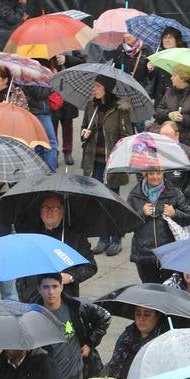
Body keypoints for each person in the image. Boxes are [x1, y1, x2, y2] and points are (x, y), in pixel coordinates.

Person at [81, 75, 132, 256]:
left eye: (97, 86)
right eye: (93, 85)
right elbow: (84, 129)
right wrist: (84, 133)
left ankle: (116, 238)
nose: (93, 89)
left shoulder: (119, 109)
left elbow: (127, 136)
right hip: (95, 161)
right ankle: (103, 238)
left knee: (112, 200)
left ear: (107, 88)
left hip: (113, 162)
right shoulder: (91, 106)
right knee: (99, 201)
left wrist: (118, 150)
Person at [36, 273, 111, 379]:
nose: (50, 292)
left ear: (61, 287)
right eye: (46, 287)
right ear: (39, 289)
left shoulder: (76, 307)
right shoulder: (34, 316)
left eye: (55, 286)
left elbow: (105, 317)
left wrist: (89, 343)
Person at [127, 169, 190, 283]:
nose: (155, 177)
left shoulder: (174, 193)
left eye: (158, 173)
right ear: (145, 175)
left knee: (169, 290)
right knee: (150, 290)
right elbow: (126, 225)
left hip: (169, 253)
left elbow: (189, 218)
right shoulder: (134, 196)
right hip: (145, 254)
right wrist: (142, 213)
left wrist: (175, 213)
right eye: (151, 173)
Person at [31, 194, 97, 298]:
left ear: (62, 213)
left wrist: (71, 277)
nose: (49, 211)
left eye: (55, 208)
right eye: (45, 207)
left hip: (66, 298)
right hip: (35, 297)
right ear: (40, 212)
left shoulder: (75, 237)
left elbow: (90, 266)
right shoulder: (31, 236)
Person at [154, 63, 190, 164]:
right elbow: (158, 111)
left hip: (189, 140)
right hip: (169, 138)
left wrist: (184, 118)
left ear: (183, 78)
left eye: (174, 75)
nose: (171, 78)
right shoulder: (169, 92)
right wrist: (169, 114)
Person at [107, 306, 168, 379]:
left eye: (147, 315)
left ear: (158, 316)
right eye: (138, 314)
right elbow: (113, 365)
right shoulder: (126, 336)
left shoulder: (164, 342)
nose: (141, 319)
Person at [158, 120, 190, 209]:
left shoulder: (188, 153)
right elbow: (141, 172)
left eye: (169, 137)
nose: (165, 141)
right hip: (158, 200)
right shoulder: (153, 152)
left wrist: (185, 193)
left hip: (180, 201)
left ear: (177, 135)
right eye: (162, 137)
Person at [146, 26, 187, 104]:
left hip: (176, 100)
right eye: (164, 37)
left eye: (170, 38)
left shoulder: (183, 57)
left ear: (177, 40)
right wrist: (151, 69)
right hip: (160, 100)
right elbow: (153, 80)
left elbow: (185, 80)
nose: (167, 40)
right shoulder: (159, 56)